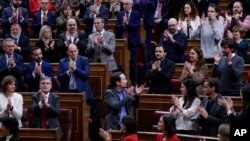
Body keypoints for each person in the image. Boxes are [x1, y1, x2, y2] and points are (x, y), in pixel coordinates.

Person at [116, 0, 140, 86]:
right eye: (123, 4)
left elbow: (136, 27)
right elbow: (117, 27)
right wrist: (123, 25)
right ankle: (123, 83)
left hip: (132, 42)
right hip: (122, 42)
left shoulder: (136, 13)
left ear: (131, 5)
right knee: (122, 63)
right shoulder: (120, 14)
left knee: (133, 64)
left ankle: (135, 83)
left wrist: (127, 23)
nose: (124, 6)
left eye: (126, 4)